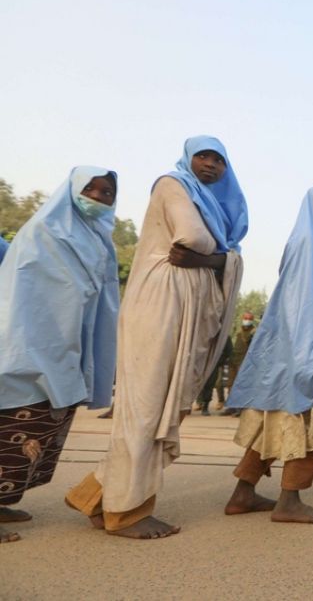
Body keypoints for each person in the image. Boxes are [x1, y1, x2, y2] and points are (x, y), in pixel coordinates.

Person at [66, 135, 246, 540]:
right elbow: (192, 239)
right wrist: (220, 256)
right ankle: (126, 512)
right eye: (203, 155)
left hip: (182, 309)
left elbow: (204, 251)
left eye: (219, 160)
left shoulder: (213, 205)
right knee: (146, 409)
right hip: (160, 307)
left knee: (159, 407)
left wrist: (217, 259)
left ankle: (93, 495)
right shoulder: (172, 184)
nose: (211, 165)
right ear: (188, 159)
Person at [0, 167, 119, 544]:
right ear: (70, 192)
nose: (100, 197)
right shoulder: (43, 232)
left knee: (41, 429)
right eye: (92, 189)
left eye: (108, 192)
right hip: (30, 345)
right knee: (11, 427)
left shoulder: (100, 239)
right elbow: (28, 294)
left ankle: (2, 501)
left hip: (66, 346)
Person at [224, 187, 313, 524]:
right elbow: (304, 303)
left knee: (273, 419)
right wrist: (311, 353)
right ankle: (289, 500)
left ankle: (243, 493)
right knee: (308, 422)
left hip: (291, 350)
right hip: (302, 350)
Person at [222, 313, 257, 416]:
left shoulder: (254, 332)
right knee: (230, 384)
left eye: (249, 319)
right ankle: (231, 406)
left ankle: (240, 408)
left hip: (244, 362)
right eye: (245, 318)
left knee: (241, 386)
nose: (247, 320)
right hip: (234, 360)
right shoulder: (238, 331)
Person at [197, 338, 232, 415]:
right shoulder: (206, 333)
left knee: (209, 385)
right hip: (201, 364)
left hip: (213, 364)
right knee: (197, 384)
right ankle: (198, 403)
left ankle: (205, 406)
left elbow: (228, 351)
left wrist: (219, 361)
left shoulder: (223, 336)